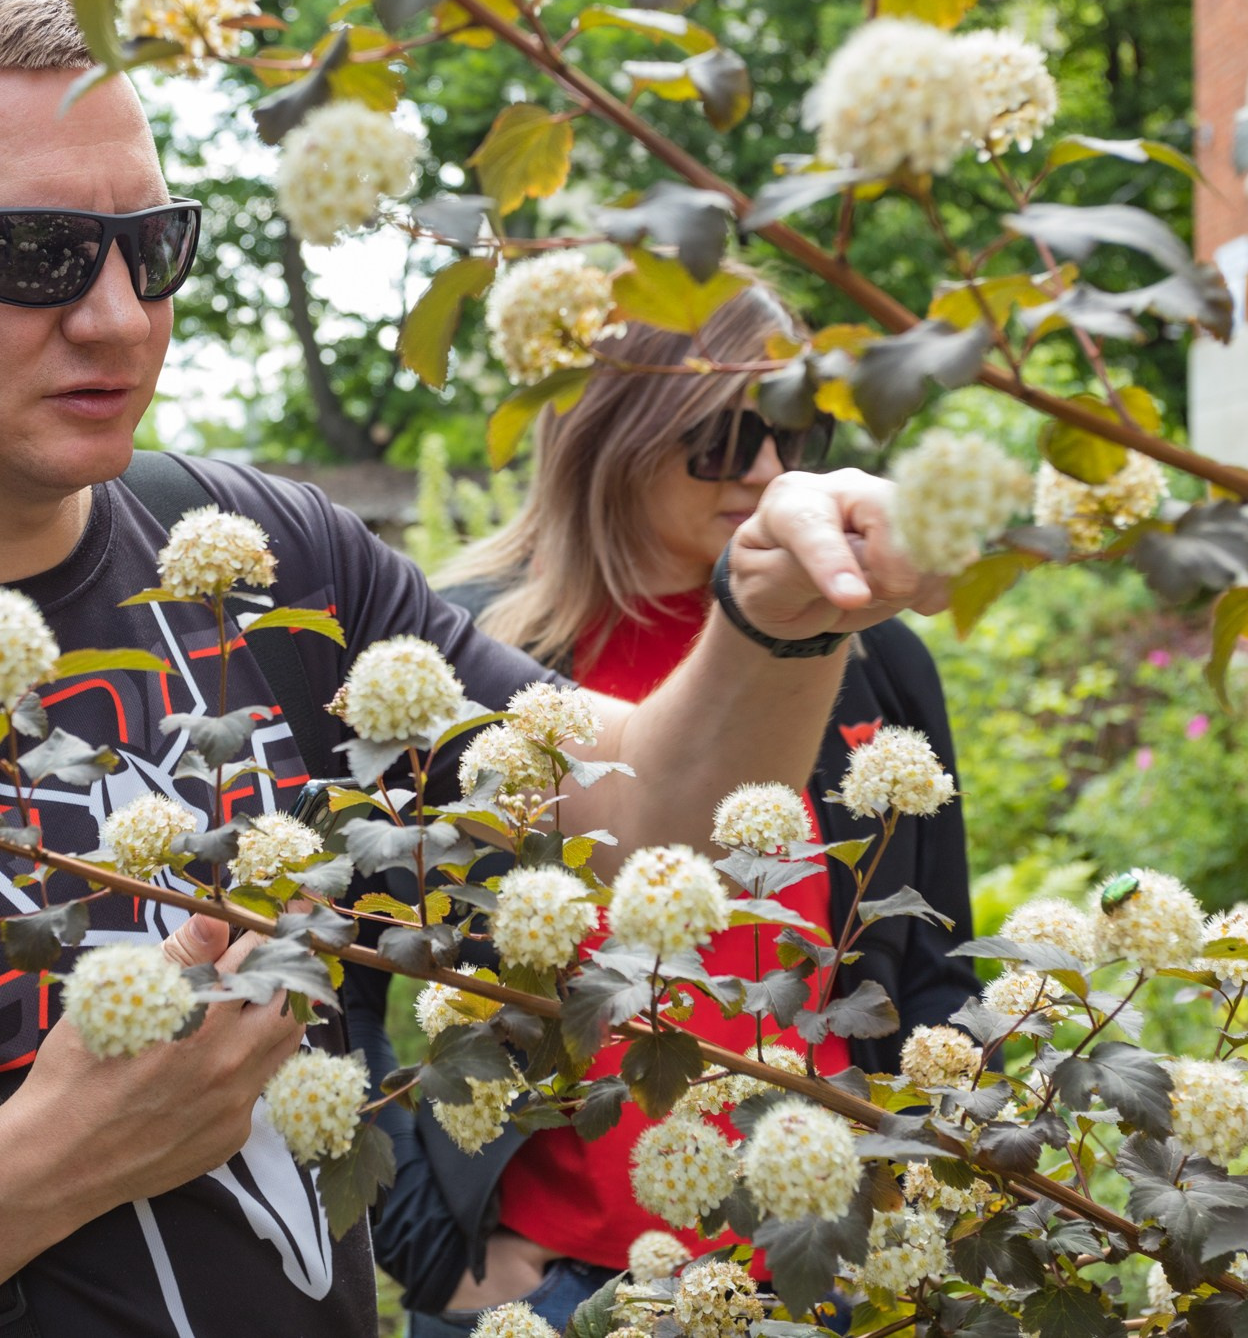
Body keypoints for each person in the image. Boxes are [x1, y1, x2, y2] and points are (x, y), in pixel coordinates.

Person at [0, 0, 940, 1338]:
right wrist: (46, 1164)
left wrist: (776, 613)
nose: (119, 317)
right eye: (33, 252)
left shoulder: (271, 555)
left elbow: (645, 812)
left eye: (148, 246)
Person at [347, 279, 981, 1334]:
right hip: (547, 1291)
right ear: (611, 429)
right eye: (725, 438)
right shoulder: (462, 663)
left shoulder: (868, 659)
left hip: (821, 1269)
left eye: (793, 426)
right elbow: (346, 972)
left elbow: (933, 961)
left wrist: (924, 1199)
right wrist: (437, 1253)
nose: (772, 470)